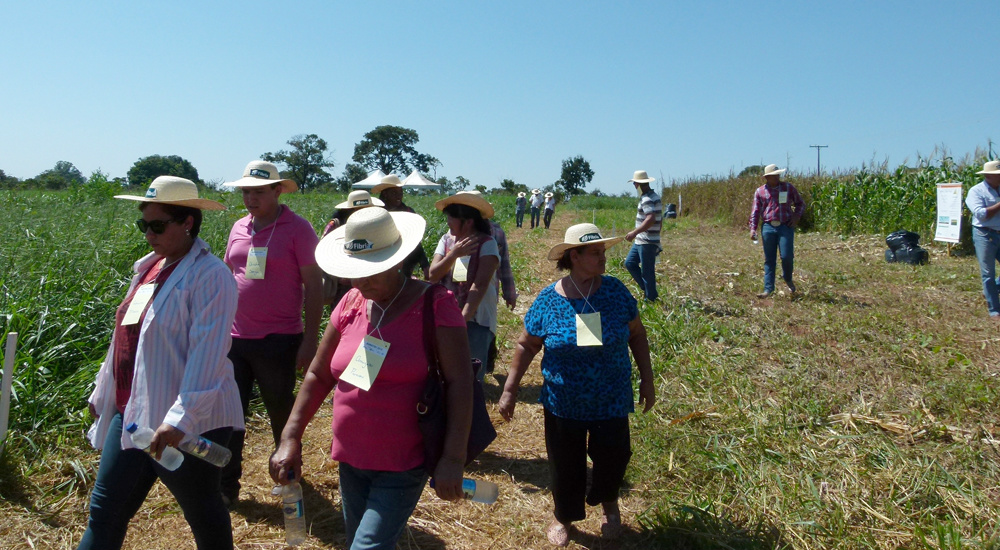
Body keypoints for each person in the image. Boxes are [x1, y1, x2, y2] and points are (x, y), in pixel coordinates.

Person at [268, 207, 473, 550]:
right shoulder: (349, 303)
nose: (360, 282)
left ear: (397, 260)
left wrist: (453, 457)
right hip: (350, 459)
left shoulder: (435, 305)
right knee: (361, 542)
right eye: (354, 272)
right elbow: (319, 374)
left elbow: (460, 382)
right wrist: (291, 437)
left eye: (371, 272)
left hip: (403, 461)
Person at [79, 176, 242, 550]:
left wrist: (178, 420)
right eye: (144, 225)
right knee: (105, 512)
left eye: (157, 225)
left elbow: (209, 354)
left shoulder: (211, 276)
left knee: (201, 510)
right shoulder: (149, 268)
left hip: (188, 420)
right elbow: (125, 336)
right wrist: (103, 391)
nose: (148, 234)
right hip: (133, 410)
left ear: (187, 223)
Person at [498, 223, 655, 547]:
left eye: (602, 252)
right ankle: (564, 516)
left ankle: (609, 505)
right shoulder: (548, 300)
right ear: (574, 256)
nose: (603, 258)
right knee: (566, 465)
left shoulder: (614, 292)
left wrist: (647, 380)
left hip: (611, 399)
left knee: (614, 458)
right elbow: (527, 345)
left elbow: (637, 335)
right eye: (594, 253)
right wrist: (510, 389)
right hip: (563, 402)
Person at [219, 160, 324, 506]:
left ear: (277, 191)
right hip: (234, 339)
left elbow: (314, 286)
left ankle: (289, 475)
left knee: (281, 411)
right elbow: (226, 275)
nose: (250, 198)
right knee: (231, 415)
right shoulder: (238, 227)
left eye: (259, 191)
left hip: (279, 338)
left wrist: (310, 339)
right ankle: (226, 486)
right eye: (246, 191)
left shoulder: (298, 228)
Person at [428, 192, 500, 382]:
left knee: (471, 372)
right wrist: (453, 254)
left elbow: (480, 285)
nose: (448, 222)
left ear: (468, 221)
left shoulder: (487, 244)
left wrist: (462, 319)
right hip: (446, 313)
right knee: (444, 369)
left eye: (452, 217)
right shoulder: (446, 240)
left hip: (476, 318)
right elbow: (433, 275)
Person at [749, 164, 806, 298]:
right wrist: (753, 229)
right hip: (768, 227)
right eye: (774, 175)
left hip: (785, 226)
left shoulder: (788, 188)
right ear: (767, 177)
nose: (777, 177)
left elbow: (800, 203)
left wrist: (796, 216)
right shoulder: (760, 191)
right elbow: (755, 211)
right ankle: (768, 289)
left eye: (778, 174)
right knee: (769, 259)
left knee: (786, 256)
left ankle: (787, 278)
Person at [322, 190, 385, 306]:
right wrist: (341, 275)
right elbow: (323, 252)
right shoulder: (336, 225)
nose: (363, 212)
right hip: (344, 285)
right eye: (359, 209)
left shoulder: (374, 225)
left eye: (366, 208)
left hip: (371, 280)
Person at [372, 174, 430, 278]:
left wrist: (424, 263)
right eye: (394, 193)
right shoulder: (376, 213)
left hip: (405, 263)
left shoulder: (408, 212)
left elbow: (415, 240)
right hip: (381, 260)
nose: (399, 196)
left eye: (400, 193)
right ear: (385, 194)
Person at [965, 160, 1000, 318]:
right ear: (988, 175)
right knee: (988, 273)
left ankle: (992, 290)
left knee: (991, 279)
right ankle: (994, 311)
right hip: (985, 234)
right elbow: (981, 214)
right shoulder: (976, 191)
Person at [623, 170, 663, 302]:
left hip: (646, 241)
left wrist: (634, 233)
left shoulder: (646, 199)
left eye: (635, 183)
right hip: (643, 240)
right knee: (630, 263)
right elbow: (659, 219)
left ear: (639, 184)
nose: (634, 186)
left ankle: (651, 298)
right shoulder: (654, 196)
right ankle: (647, 290)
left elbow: (650, 218)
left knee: (647, 271)